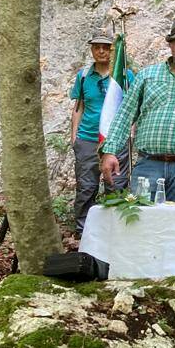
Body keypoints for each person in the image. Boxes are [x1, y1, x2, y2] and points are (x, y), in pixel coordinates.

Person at [100, 16, 175, 203]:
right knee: (142, 221)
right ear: (170, 45)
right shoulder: (148, 75)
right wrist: (110, 151)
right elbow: (124, 115)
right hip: (148, 166)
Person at [68, 31, 133, 233]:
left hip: (116, 139)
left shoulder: (125, 75)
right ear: (92, 49)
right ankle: (84, 231)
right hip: (87, 139)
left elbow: (131, 106)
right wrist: (74, 136)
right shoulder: (84, 76)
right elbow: (79, 106)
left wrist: (130, 132)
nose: (102, 51)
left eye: (106, 47)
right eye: (97, 47)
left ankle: (116, 230)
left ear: (113, 50)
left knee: (116, 184)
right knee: (86, 187)